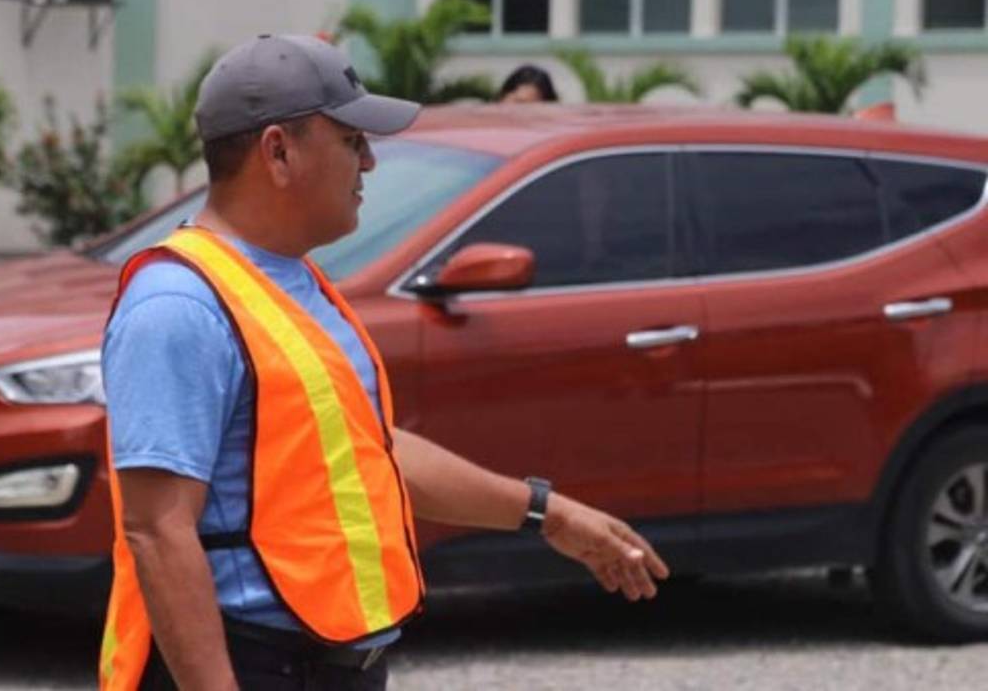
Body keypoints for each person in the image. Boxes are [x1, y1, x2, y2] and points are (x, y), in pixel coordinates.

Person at [98, 34, 668, 691]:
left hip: (331, 663)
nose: (369, 161)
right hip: (251, 663)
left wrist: (548, 512)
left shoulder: (294, 282)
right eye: (350, 140)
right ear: (278, 151)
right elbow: (157, 530)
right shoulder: (176, 305)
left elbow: (367, 450)